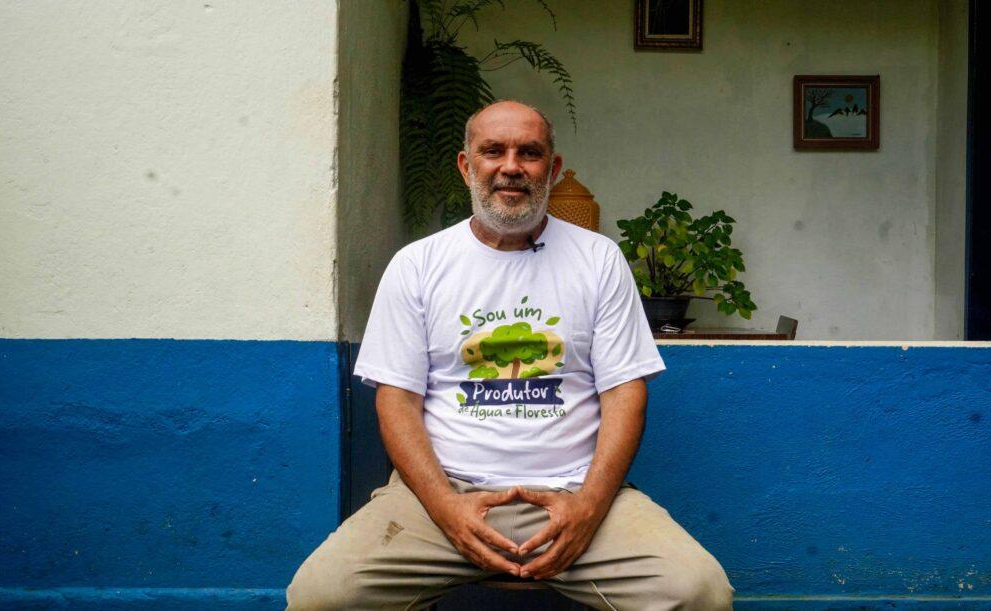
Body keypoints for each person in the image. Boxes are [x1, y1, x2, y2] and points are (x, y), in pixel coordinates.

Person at [285, 100, 735, 610]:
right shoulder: (418, 265)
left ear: (553, 168)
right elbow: (396, 402)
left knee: (700, 592)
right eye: (493, 151)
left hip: (576, 494)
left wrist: (588, 508)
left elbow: (624, 394)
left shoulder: (598, 259)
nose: (511, 167)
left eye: (530, 153)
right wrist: (446, 508)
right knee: (322, 595)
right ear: (466, 165)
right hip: (441, 495)